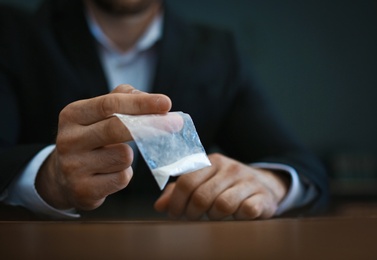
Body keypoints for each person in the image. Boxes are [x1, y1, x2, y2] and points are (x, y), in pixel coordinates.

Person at [0, 0, 328, 220]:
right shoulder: (15, 33)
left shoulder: (216, 52)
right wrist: (49, 177)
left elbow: (299, 162)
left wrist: (270, 184)